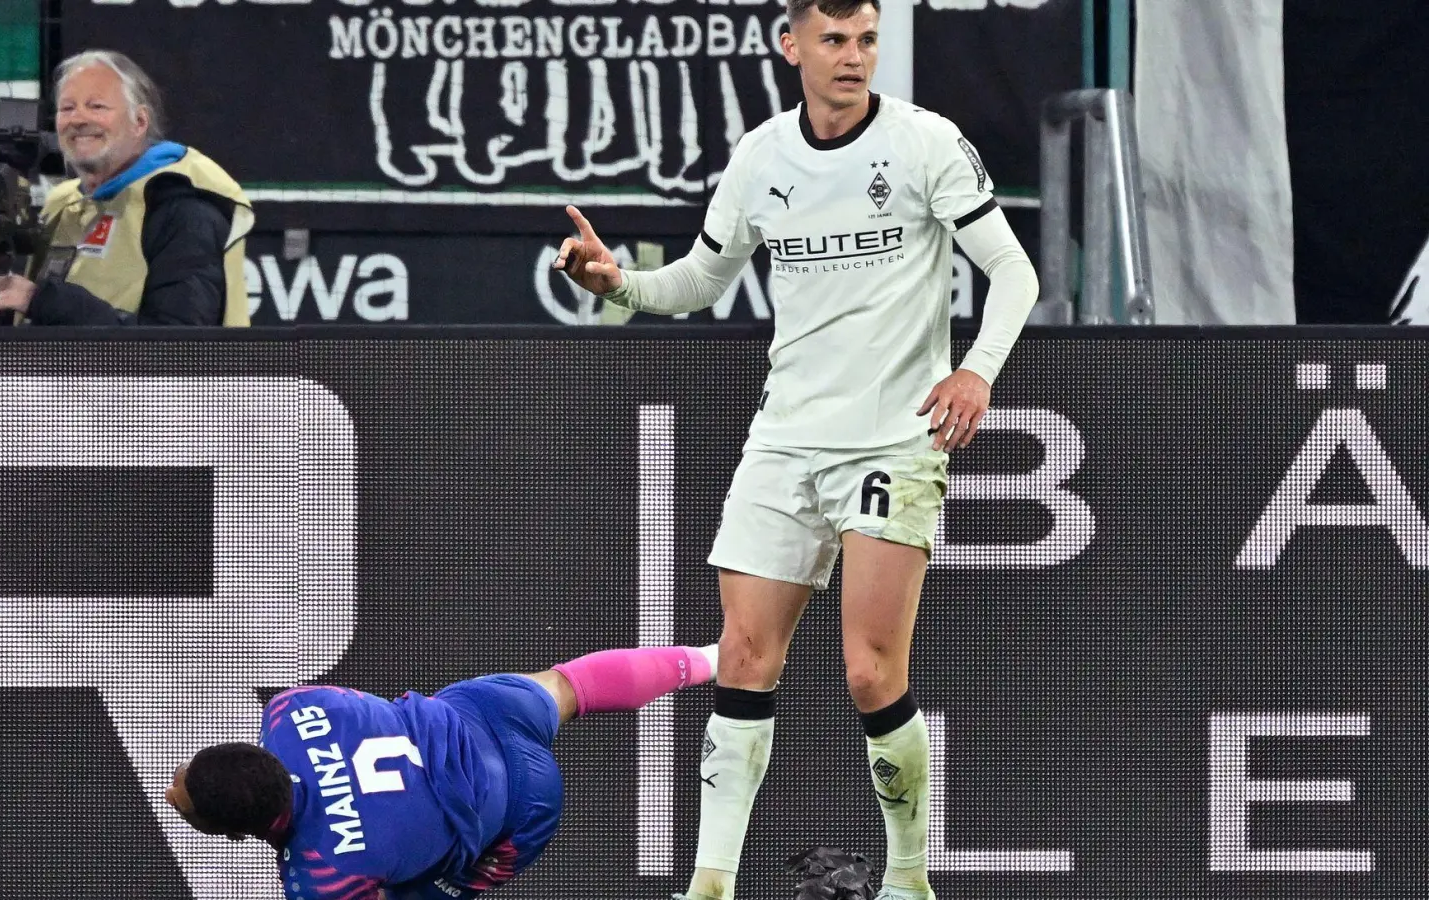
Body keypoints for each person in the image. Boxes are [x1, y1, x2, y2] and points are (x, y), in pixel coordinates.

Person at [550, 0, 1040, 897]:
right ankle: (709, 884)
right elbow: (701, 279)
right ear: (792, 47)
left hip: (893, 440)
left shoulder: (926, 143)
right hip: (785, 441)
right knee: (742, 656)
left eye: (866, 42)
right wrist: (615, 284)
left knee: (868, 671)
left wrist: (977, 372)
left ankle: (908, 881)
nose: (853, 60)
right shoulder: (761, 156)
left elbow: (1013, 270)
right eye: (834, 42)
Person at [166, 644, 719, 900]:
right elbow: (370, 713)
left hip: (519, 815)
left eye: (179, 790)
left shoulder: (318, 881)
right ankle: (717, 658)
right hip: (484, 715)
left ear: (238, 834)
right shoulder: (292, 710)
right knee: (565, 685)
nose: (169, 789)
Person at [0, 50, 253, 326]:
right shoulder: (62, 204)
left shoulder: (182, 205)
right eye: (67, 108)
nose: (78, 119)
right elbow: (42, 318)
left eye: (97, 106)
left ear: (139, 121)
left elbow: (179, 348)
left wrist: (40, 300)